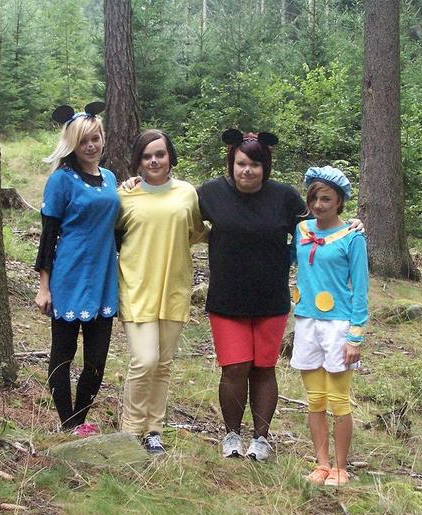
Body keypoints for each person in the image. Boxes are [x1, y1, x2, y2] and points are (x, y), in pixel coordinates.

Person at [197, 130, 364, 462]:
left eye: (255, 164)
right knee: (235, 367)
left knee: (263, 367)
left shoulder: (284, 197)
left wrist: (352, 224)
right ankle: (232, 435)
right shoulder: (211, 193)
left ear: (266, 166)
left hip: (271, 300)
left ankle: (261, 438)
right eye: (241, 163)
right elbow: (176, 209)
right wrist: (136, 186)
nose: (247, 170)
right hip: (226, 299)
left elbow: (319, 225)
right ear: (231, 163)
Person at [116, 129, 208, 454]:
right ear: (138, 161)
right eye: (147, 156)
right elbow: (107, 233)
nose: (154, 161)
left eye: (160, 154)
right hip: (136, 287)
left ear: (170, 156)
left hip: (174, 289)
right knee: (145, 360)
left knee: (163, 364)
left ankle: (153, 430)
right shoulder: (125, 196)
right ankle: (130, 430)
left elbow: (198, 231)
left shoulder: (187, 193)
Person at [34, 102, 120, 438]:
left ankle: (80, 419)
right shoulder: (61, 180)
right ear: (72, 143)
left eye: (95, 138)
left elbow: (117, 227)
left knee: (96, 359)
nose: (91, 145)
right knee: (63, 354)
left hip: (103, 277)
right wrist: (44, 287)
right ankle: (68, 424)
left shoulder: (110, 179)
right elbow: (48, 236)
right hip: (69, 276)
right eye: (84, 140)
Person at [290, 166, 368, 486]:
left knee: (338, 400)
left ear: (339, 202)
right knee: (315, 399)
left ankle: (340, 467)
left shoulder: (352, 237)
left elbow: (360, 289)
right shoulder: (301, 230)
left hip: (338, 325)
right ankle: (321, 464)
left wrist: (355, 335)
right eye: (314, 198)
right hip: (306, 321)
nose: (318, 205)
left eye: (326, 199)